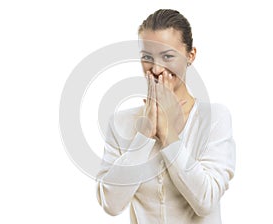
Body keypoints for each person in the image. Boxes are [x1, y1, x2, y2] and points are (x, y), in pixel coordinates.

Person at [96, 9, 236, 224]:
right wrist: (144, 135)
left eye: (168, 56)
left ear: (191, 55)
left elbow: (205, 200)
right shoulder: (121, 123)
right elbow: (111, 204)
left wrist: (168, 133)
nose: (156, 68)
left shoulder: (214, 118)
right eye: (147, 57)